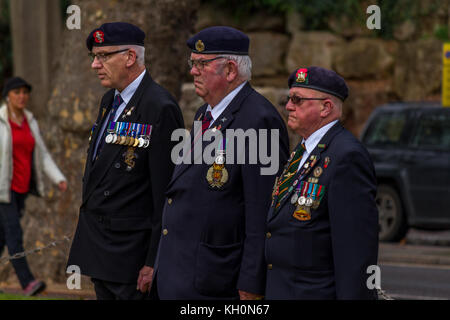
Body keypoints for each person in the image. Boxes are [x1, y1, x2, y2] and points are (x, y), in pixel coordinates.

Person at [151, 26, 289, 299]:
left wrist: (252, 281)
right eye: (193, 63)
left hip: (216, 279)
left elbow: (262, 209)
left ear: (229, 71)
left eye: (202, 64)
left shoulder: (259, 120)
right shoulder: (205, 113)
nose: (193, 71)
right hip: (179, 271)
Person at [66, 22, 184, 300]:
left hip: (132, 255)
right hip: (102, 249)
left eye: (104, 56)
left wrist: (153, 260)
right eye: (94, 57)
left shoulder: (160, 107)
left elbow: (165, 193)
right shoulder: (110, 100)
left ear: (130, 57)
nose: (95, 65)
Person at [265, 66, 379, 299]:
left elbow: (355, 251)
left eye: (297, 100)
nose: (288, 106)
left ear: (326, 107)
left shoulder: (346, 156)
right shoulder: (304, 149)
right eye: (288, 99)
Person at [0, 77, 67, 296]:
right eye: (16, 92)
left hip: (21, 189)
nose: (21, 97)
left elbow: (43, 153)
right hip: (3, 188)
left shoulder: (30, 120)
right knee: (14, 234)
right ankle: (27, 282)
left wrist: (58, 178)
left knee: (3, 236)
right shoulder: (0, 121)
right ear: (7, 95)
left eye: (25, 93)